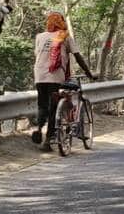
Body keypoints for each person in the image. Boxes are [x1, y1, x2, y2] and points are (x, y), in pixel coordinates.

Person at [32, 12, 96, 151]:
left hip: (39, 75)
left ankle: (38, 128)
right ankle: (48, 141)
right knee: (53, 108)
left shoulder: (40, 36)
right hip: (55, 76)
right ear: (61, 22)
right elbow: (78, 57)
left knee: (42, 105)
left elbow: (38, 55)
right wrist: (88, 73)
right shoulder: (64, 36)